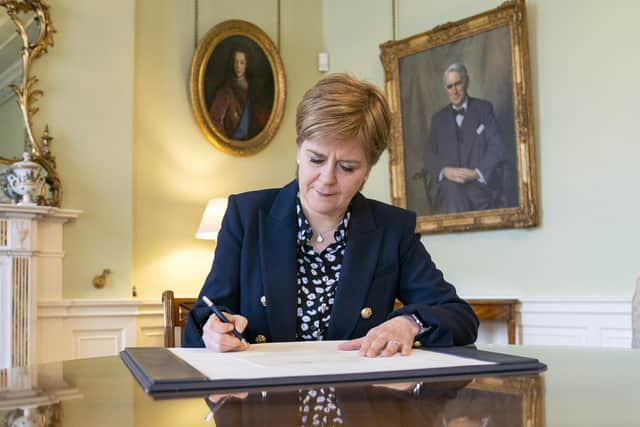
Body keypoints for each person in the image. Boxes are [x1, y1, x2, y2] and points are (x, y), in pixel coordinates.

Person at [185, 74, 478, 357]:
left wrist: (410, 323)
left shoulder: (391, 229)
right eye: (316, 159)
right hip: (263, 400)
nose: (327, 178)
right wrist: (213, 329)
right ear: (299, 149)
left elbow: (459, 316)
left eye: (347, 167)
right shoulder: (247, 216)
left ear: (368, 169)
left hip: (358, 402)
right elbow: (203, 316)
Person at [425, 63, 505, 214]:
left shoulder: (484, 109)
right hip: (449, 189)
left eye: (458, 84)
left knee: (457, 195)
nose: (454, 91)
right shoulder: (438, 119)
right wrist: (445, 171)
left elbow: (497, 147)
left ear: (466, 82)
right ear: (446, 90)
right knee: (452, 190)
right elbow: (428, 155)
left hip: (480, 188)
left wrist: (477, 173)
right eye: (449, 87)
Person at [208, 48, 269, 140]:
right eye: (235, 62)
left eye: (242, 62)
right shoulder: (225, 91)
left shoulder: (254, 89)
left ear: (247, 65)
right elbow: (215, 121)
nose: (238, 66)